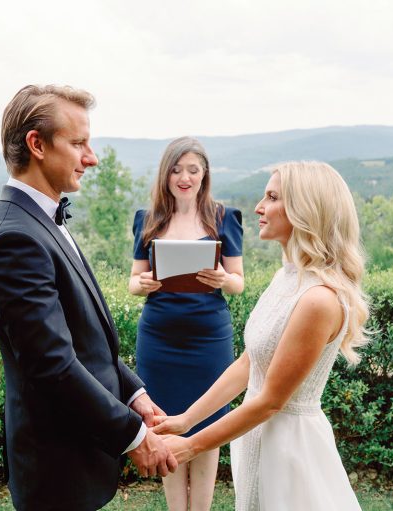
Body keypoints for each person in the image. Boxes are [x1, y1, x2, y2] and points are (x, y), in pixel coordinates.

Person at [0, 84, 177, 511]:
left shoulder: (43, 219)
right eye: (79, 143)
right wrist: (134, 437)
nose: (92, 157)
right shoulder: (15, 238)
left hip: (79, 457)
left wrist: (134, 394)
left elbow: (87, 342)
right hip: (56, 468)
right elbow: (53, 367)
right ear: (37, 145)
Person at [153, 161, 369, 510]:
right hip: (258, 438)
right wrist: (186, 420)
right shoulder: (285, 278)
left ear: (305, 210)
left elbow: (271, 401)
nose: (258, 207)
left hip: (290, 450)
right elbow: (249, 361)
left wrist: (192, 445)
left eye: (271, 197)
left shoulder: (318, 299)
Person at [128, 136, 245, 511]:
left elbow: (239, 282)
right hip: (159, 339)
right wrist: (141, 284)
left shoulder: (224, 218)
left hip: (208, 341)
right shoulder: (148, 220)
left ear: (204, 174)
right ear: (166, 174)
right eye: (177, 170)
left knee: (208, 424)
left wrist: (222, 279)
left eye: (193, 170)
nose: (184, 177)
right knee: (164, 422)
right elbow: (133, 281)